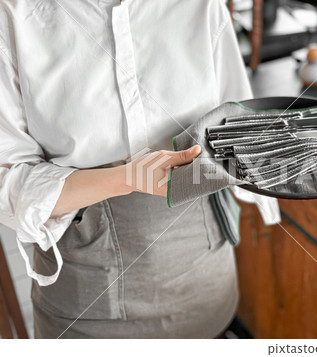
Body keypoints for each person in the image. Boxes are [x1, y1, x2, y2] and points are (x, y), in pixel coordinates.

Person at [0, 0, 261, 338]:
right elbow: (9, 180)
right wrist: (127, 178)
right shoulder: (15, 14)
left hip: (201, 269)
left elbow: (238, 124)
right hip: (86, 296)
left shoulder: (202, 5)